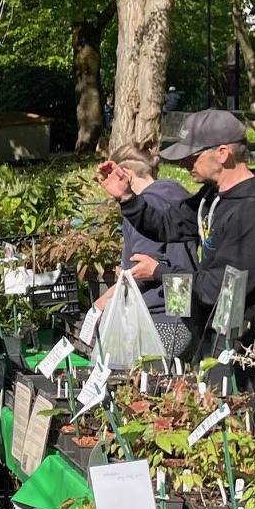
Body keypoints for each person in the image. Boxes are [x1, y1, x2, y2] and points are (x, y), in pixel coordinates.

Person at [97, 109, 255, 362]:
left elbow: (221, 287)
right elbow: (168, 225)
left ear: (223, 153)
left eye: (191, 157)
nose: (183, 164)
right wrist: (126, 198)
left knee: (240, 402)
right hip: (220, 331)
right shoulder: (214, 197)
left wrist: (159, 273)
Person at [101, 145, 198, 357]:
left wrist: (102, 302)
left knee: (139, 383)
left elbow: (143, 269)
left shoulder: (144, 209)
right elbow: (173, 263)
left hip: (157, 318)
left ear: (126, 175)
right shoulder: (177, 196)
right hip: (185, 313)